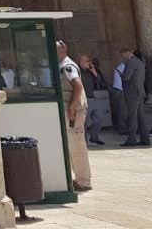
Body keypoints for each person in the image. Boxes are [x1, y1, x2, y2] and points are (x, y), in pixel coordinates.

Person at [57, 41, 91, 191]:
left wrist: (71, 107)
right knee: (70, 144)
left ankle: (84, 180)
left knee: (76, 145)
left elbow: (77, 86)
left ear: (62, 51)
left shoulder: (68, 67)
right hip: (68, 109)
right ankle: (77, 178)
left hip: (73, 111)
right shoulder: (61, 65)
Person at [120, 48, 150, 146]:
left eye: (122, 55)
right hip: (140, 91)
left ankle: (131, 139)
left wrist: (121, 74)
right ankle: (145, 139)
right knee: (141, 116)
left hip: (132, 92)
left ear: (126, 53)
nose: (122, 58)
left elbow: (126, 77)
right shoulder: (140, 62)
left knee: (132, 116)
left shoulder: (131, 62)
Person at [78, 55, 106, 146]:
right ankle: (84, 141)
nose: (88, 63)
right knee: (85, 122)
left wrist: (94, 72)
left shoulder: (90, 72)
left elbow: (100, 82)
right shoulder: (78, 72)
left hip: (92, 97)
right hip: (84, 99)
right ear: (81, 62)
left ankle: (94, 136)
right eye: (86, 61)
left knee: (99, 118)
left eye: (89, 61)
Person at [109, 55, 125, 134]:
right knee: (122, 110)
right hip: (120, 90)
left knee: (121, 109)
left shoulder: (121, 66)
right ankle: (122, 128)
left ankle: (122, 126)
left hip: (118, 90)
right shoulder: (122, 66)